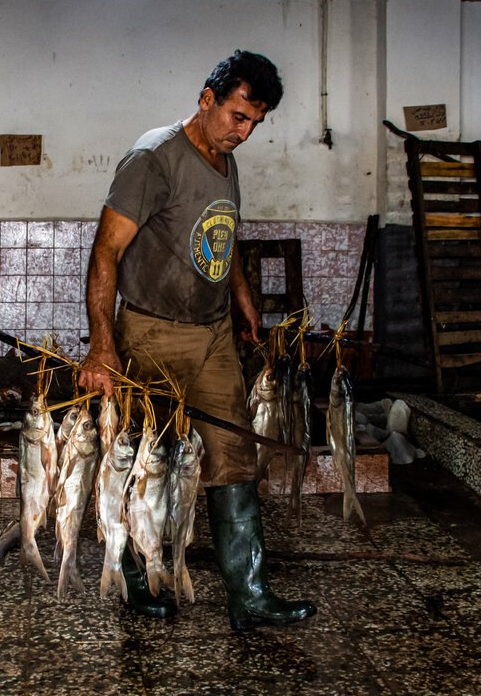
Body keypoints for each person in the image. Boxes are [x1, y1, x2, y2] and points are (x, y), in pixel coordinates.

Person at [78, 50, 316, 631]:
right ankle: (141, 581)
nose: (245, 132)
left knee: (234, 456)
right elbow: (106, 250)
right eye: (238, 116)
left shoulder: (224, 160)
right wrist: (102, 346)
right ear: (207, 99)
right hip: (152, 332)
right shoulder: (153, 158)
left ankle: (250, 594)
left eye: (255, 122)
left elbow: (221, 237)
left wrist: (242, 299)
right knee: (148, 459)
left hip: (213, 336)